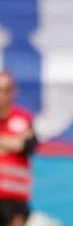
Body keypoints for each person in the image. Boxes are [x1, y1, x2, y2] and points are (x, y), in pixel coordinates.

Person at [0, 72, 37, 205]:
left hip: (15, 199)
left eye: (6, 90)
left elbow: (28, 146)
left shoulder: (23, 118)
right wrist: (13, 142)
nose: (1, 95)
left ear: (13, 92)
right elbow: (18, 145)